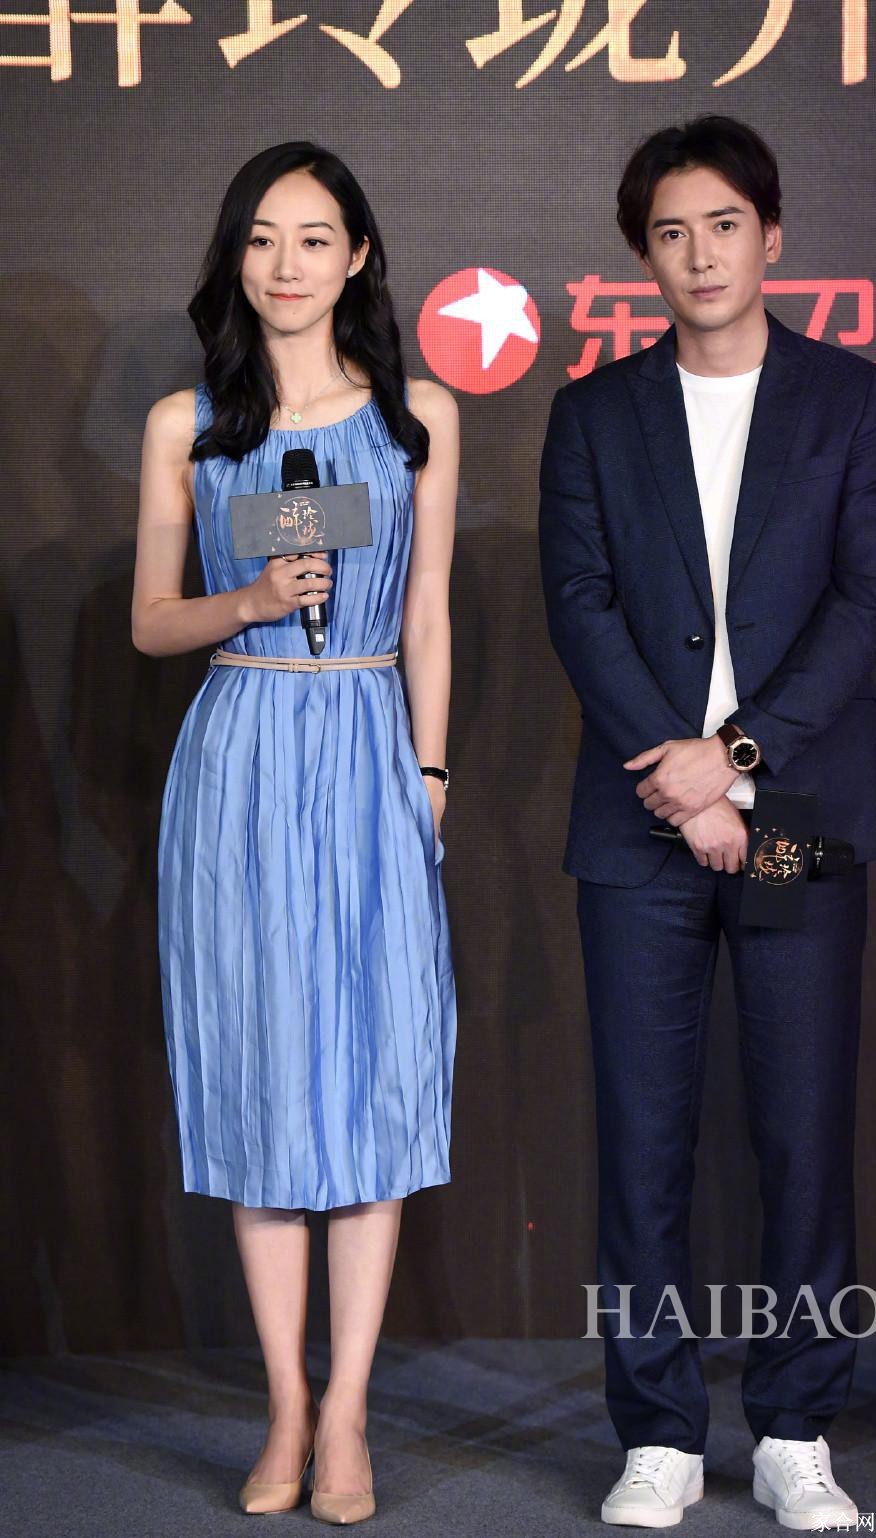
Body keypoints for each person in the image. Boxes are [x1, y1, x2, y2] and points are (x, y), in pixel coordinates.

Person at [538, 115, 876, 1530]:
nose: (699, 254)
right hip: (637, 821)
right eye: (670, 232)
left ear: (773, 235)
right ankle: (657, 1431)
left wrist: (737, 763)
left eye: (724, 224)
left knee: (803, 1128)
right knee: (643, 1135)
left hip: (795, 808)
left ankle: (797, 1425)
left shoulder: (852, 400)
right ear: (643, 255)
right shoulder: (594, 412)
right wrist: (679, 774)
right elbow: (579, 603)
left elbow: (865, 600)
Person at [131, 141, 458, 1525]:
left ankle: (351, 1411)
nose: (286, 264)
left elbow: (431, 610)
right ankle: (283, 1402)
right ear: (235, 254)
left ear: (358, 255)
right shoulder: (187, 423)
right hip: (244, 754)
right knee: (261, 1080)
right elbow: (153, 621)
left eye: (315, 238)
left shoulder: (416, 416)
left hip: (371, 746)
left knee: (375, 1078)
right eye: (262, 238)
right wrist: (255, 598)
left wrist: (429, 774)